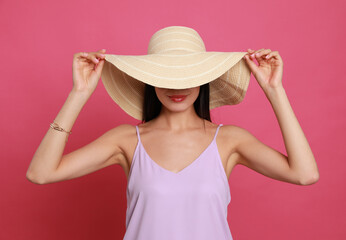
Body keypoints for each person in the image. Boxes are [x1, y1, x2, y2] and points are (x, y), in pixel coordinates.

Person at [26, 26, 319, 240]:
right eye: (165, 76)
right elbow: (41, 173)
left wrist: (275, 91)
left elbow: (304, 174)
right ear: (150, 81)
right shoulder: (126, 140)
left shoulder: (230, 139)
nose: (176, 88)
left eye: (187, 76)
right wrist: (78, 94)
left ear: (202, 80)